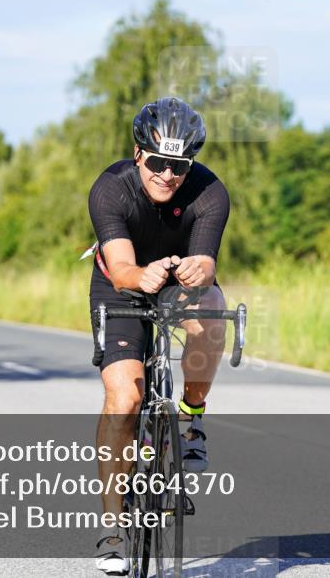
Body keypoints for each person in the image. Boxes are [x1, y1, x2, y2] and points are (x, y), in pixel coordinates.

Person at [88, 97, 230, 574]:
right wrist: (139, 276)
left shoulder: (209, 192)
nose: (167, 174)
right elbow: (124, 266)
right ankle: (112, 530)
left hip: (179, 284)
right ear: (138, 154)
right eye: (157, 162)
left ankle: (191, 420)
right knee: (125, 398)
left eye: (179, 165)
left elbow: (208, 264)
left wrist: (199, 268)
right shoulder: (112, 189)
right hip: (122, 285)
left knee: (212, 310)